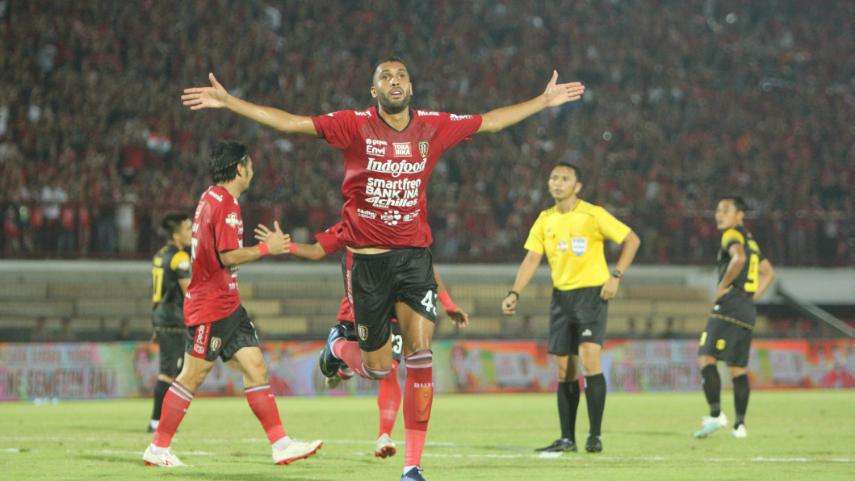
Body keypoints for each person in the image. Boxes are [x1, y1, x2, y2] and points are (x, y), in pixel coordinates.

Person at [182, 56, 584, 481]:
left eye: (402, 75)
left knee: (420, 356)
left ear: (411, 87)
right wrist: (230, 101)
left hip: (413, 260)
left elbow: (491, 121)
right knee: (377, 367)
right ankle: (337, 348)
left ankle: (412, 466)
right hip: (367, 264)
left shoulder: (433, 125)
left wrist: (543, 101)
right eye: (385, 77)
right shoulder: (353, 125)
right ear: (374, 91)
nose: (395, 81)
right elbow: (291, 124)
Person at [142, 141, 322, 467]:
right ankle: (159, 446)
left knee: (256, 367)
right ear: (240, 168)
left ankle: (280, 443)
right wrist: (268, 249)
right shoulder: (226, 204)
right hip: (210, 306)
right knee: (192, 376)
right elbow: (228, 256)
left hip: (228, 305)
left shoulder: (209, 197)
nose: (252, 170)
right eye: (250, 165)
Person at [267, 220, 468, 459]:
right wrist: (285, 246)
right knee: (369, 367)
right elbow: (317, 250)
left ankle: (384, 434)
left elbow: (427, 268)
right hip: (358, 311)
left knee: (388, 369)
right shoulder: (356, 221)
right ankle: (338, 348)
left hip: (396, 309)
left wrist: (449, 304)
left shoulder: (406, 222)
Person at [501, 163, 640, 453]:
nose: (558, 183)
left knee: (590, 359)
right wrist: (515, 292)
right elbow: (531, 259)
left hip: (592, 295)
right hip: (561, 299)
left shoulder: (593, 214)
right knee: (564, 369)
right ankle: (567, 438)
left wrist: (616, 276)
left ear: (577, 186)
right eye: (554, 178)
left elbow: (631, 240)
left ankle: (595, 435)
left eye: (565, 179)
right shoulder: (545, 219)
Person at [693, 196, 775, 439]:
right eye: (718, 209)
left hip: (729, 306)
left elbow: (738, 259)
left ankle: (716, 414)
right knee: (737, 368)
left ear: (740, 215)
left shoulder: (731, 235)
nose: (719, 214)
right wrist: (751, 296)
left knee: (706, 358)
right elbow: (768, 273)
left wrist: (724, 286)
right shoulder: (751, 241)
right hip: (746, 309)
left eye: (726, 210)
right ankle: (740, 425)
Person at [147, 212, 192, 433]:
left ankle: (161, 420)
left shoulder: (159, 255)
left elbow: (156, 292)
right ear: (176, 234)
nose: (191, 233)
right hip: (174, 320)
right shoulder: (180, 257)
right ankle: (157, 421)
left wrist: (155, 324)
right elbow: (189, 292)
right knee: (171, 372)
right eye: (187, 229)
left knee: (175, 371)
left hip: (161, 317)